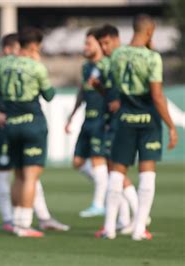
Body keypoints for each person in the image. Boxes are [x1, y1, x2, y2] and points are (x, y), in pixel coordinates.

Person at [0, 34, 69, 233]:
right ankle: (26, 224)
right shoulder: (36, 66)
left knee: (18, 174)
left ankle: (17, 221)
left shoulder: (1, 64)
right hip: (31, 123)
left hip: (9, 125)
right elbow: (49, 95)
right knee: (30, 176)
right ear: (35, 46)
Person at [101, 14, 178, 240]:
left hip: (124, 118)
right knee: (147, 173)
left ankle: (109, 228)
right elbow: (157, 95)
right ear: (150, 31)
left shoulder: (117, 55)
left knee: (117, 172)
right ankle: (138, 229)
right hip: (147, 120)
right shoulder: (152, 57)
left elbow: (112, 89)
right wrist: (171, 126)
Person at [92, 24, 143, 236]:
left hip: (127, 122)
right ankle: (128, 219)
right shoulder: (108, 63)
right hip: (114, 122)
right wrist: (107, 95)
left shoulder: (123, 59)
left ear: (116, 39)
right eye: (100, 44)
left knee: (117, 170)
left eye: (106, 43)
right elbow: (95, 83)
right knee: (116, 170)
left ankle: (139, 217)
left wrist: (122, 101)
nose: (103, 48)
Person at [65, 28, 109, 218]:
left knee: (98, 160)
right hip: (87, 119)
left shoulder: (108, 65)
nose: (85, 47)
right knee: (78, 162)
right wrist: (72, 115)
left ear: (100, 44)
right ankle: (109, 189)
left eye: (89, 43)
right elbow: (82, 92)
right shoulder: (86, 67)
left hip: (102, 119)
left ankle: (99, 203)